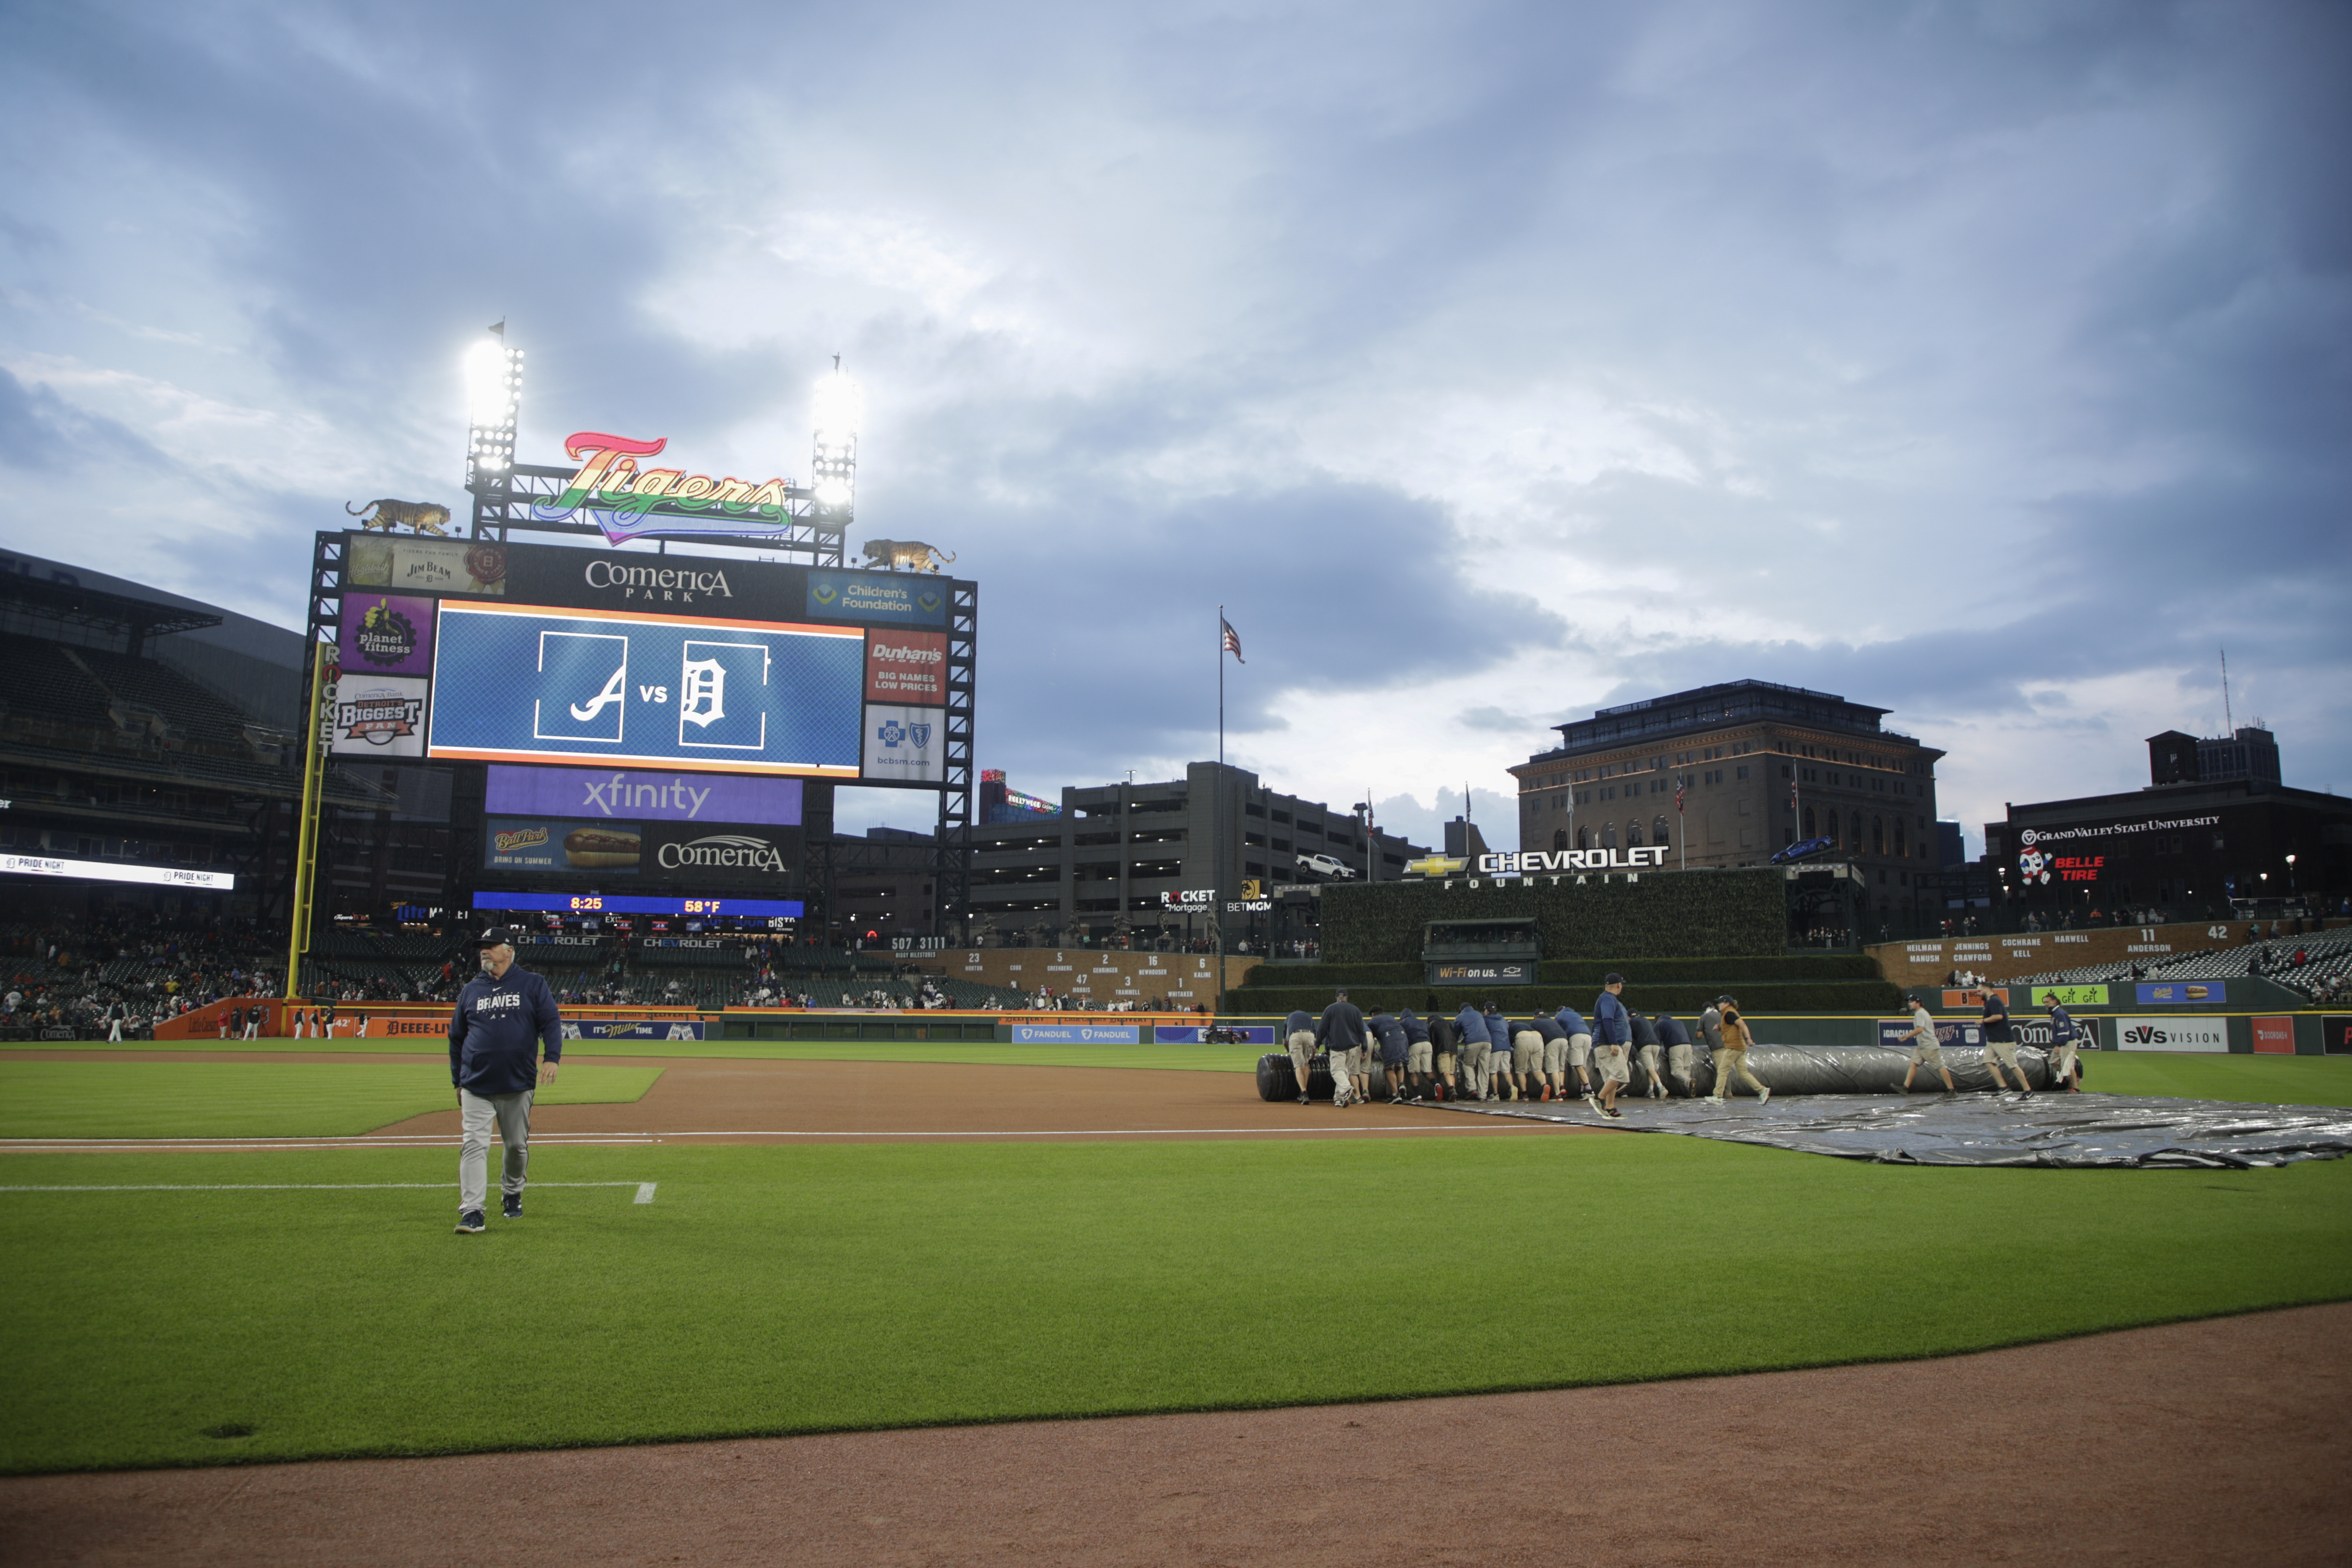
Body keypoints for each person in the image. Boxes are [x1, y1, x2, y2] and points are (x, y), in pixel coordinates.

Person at [448, 927, 563, 1234]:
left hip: (517, 1082)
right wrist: (457, 1081)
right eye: (481, 946)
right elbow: (457, 1038)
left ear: (509, 950)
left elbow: (551, 1021)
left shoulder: (532, 984)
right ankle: (472, 1211)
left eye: (491, 945)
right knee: (474, 1144)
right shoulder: (471, 990)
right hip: (476, 1083)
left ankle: (512, 1191)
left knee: (515, 1146)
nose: (484, 950)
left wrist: (552, 1057)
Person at [1702, 993, 1770, 1105]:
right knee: (1743, 1073)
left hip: (1733, 1047)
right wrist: (1720, 1028)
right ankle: (1762, 1090)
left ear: (1727, 1004)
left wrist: (1749, 1039)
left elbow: (1742, 1024)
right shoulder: (1728, 1014)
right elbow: (1731, 1028)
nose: (1718, 1005)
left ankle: (1718, 1096)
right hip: (1740, 1047)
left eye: (1721, 1003)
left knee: (1723, 1070)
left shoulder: (1729, 1013)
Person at [1316, 989, 1368, 1109]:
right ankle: (1339, 1099)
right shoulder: (1355, 1010)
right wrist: (1364, 1048)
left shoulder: (1331, 1009)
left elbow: (1322, 1028)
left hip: (1338, 1046)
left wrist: (1317, 1043)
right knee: (1344, 1072)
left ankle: (1347, 1089)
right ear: (1347, 998)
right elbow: (1362, 1031)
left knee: (1336, 1071)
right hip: (1353, 1047)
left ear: (1336, 998)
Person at [1590, 975, 1634, 1118]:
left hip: (1604, 1044)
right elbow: (1608, 1020)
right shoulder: (1608, 998)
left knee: (1610, 1077)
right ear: (1618, 985)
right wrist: (1614, 1043)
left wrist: (1618, 1043)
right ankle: (1599, 1098)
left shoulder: (1607, 998)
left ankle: (1610, 1108)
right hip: (1606, 1044)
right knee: (1622, 1075)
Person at [1898, 998, 1957, 1095]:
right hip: (1922, 1046)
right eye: (1909, 1002)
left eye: (1912, 1002)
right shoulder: (1921, 1013)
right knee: (1913, 1064)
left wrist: (1907, 1036)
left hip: (1929, 1045)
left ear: (1918, 1003)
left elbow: (1920, 1029)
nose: (1910, 1004)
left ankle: (1952, 1090)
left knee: (1940, 1067)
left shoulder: (1920, 1013)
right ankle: (1905, 1088)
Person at [1980, 989, 2029, 1095]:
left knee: (2013, 1066)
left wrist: (1983, 1020)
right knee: (1988, 1062)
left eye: (1980, 991)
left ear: (1987, 990)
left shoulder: (1994, 1000)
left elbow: (1998, 1016)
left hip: (2003, 1040)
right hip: (1993, 1040)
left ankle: (2028, 1091)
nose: (1979, 993)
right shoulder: (1990, 1002)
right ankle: (2004, 1087)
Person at [2042, 993, 2084, 1093]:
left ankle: (2075, 1087)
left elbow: (2065, 1031)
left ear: (2055, 1002)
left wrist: (2060, 1045)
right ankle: (2074, 1079)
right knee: (2053, 1062)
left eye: (2047, 1002)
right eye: (2045, 1002)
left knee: (2067, 1066)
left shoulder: (2060, 1013)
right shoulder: (2055, 1013)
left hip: (2067, 1043)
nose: (2045, 1004)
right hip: (2063, 1043)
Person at [1555, 1001, 1595, 1103]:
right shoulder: (1576, 1014)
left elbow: (1558, 1032)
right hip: (1588, 1036)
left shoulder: (1560, 1016)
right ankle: (1582, 1091)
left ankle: (1589, 1090)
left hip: (1576, 1037)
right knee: (1582, 1066)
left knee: (1578, 1065)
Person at [1453, 1001, 1492, 1102]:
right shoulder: (1479, 1014)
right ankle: (1483, 1096)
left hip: (1473, 1043)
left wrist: (1456, 1042)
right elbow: (1477, 1030)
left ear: (1461, 1010)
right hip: (1487, 1042)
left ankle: (1472, 1089)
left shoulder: (1460, 1017)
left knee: (1468, 1065)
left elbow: (1456, 1035)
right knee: (1484, 1069)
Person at [1369, 1005, 1410, 1103]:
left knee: (1389, 1067)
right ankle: (1401, 1084)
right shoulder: (1391, 1017)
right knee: (1399, 1064)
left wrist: (1372, 1054)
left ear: (1373, 1015)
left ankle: (1395, 1094)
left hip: (1389, 1038)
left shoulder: (1372, 1022)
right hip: (1403, 1036)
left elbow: (1370, 1040)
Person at [1531, 1010, 1568, 1102]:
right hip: (1564, 1040)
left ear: (1535, 1016)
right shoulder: (1552, 1020)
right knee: (1561, 1067)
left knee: (1553, 1069)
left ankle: (1558, 1095)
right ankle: (1562, 1087)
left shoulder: (1534, 1023)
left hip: (1552, 1041)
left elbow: (1537, 1038)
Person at [1655, 1013, 1694, 1097]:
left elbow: (1656, 1041)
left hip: (1676, 1046)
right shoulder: (1679, 1022)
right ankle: (1688, 1092)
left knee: (1677, 1071)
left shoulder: (1660, 1023)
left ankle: (1689, 1082)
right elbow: (1690, 1036)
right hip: (1689, 1045)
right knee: (1686, 1069)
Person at [1630, 1009, 1665, 1100]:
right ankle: (1651, 1091)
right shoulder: (1646, 1020)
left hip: (1646, 1046)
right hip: (1657, 1045)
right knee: (1652, 1069)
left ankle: (1661, 1087)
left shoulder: (1630, 1022)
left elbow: (1630, 1039)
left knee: (1650, 1069)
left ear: (1629, 1017)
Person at [1483, 1002, 1516, 1100]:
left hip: (1496, 1047)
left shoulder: (1486, 1020)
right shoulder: (1503, 1019)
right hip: (1506, 1047)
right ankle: (1512, 1087)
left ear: (1487, 1011)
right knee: (1506, 1070)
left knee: (1493, 1072)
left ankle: (1496, 1094)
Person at [1400, 1007, 1433, 1103]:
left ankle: (1418, 1095)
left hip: (1415, 1045)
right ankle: (1437, 1085)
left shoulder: (1403, 1023)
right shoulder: (1421, 1022)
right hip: (1428, 1044)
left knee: (1414, 1072)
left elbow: (1401, 1037)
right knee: (1427, 1070)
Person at [1284, 1008, 1316, 1105]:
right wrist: (1313, 1055)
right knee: (1306, 1063)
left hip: (1295, 1036)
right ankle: (1304, 1091)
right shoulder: (1309, 1017)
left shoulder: (1289, 1017)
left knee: (1298, 1065)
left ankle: (1304, 1092)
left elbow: (1285, 1041)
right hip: (1309, 1035)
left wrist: (1289, 1050)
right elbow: (1316, 1038)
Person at [1510, 1012, 1544, 1102]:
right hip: (1538, 1038)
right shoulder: (1524, 1025)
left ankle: (1524, 1095)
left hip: (1523, 1038)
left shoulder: (1508, 1027)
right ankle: (1545, 1085)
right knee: (1537, 1070)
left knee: (1521, 1070)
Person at [1427, 1008, 1460, 1102]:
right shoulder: (1447, 1023)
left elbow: (1431, 1041)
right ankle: (1453, 1092)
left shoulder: (1431, 1025)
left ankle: (1451, 1089)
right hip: (1454, 1049)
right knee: (1451, 1072)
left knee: (1445, 1072)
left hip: (1443, 1049)